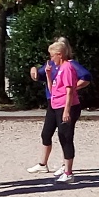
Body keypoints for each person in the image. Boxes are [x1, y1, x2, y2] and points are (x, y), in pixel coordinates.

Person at [27, 41, 93, 176]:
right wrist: (47, 75)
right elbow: (52, 89)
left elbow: (71, 89)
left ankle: (67, 169)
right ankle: (44, 164)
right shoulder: (56, 67)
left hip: (66, 105)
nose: (50, 59)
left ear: (59, 54)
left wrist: (67, 110)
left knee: (65, 136)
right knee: (47, 133)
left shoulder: (68, 67)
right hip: (55, 103)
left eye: (52, 56)